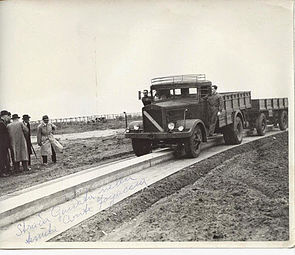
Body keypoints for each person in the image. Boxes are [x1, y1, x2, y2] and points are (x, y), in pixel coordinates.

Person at [0, 110, 11, 177]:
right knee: (2, 158)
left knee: (3, 157)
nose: (8, 117)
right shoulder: (1, 123)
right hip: (2, 144)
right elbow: (3, 136)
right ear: (4, 116)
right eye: (7, 116)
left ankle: (3, 171)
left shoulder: (2, 123)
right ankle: (2, 172)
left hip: (3, 144)